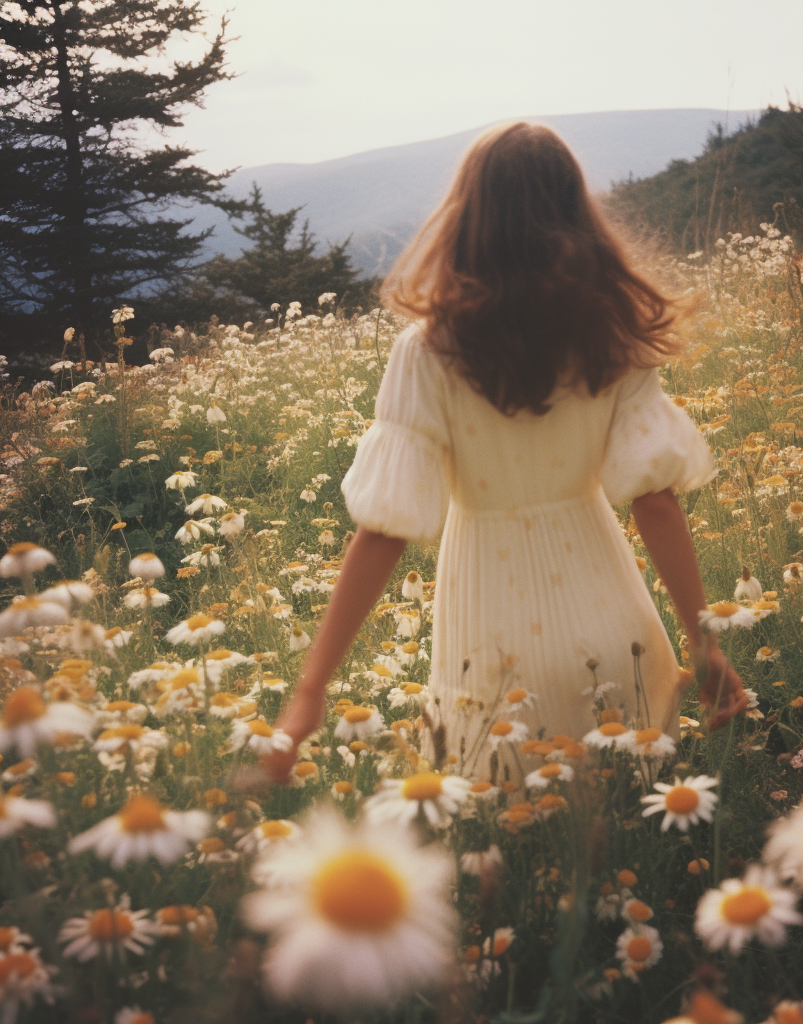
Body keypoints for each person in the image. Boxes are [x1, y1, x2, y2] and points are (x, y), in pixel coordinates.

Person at [262, 122, 747, 784]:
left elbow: (383, 534)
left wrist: (310, 692)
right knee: (637, 830)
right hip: (617, 635)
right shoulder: (612, 330)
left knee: (510, 840)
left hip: (488, 643)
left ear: (467, 214)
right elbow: (657, 504)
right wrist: (705, 643)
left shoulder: (429, 350)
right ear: (578, 211)